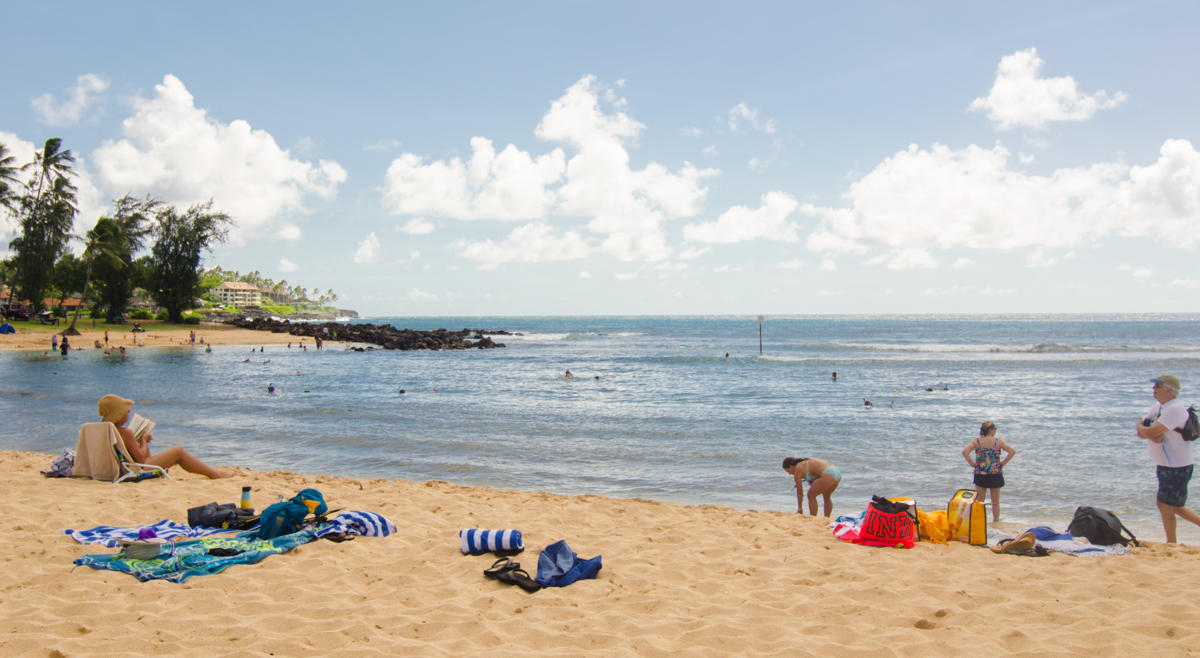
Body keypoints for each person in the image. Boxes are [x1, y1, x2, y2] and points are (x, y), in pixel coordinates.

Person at [96, 394, 227, 479]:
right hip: (136, 469)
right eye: (126, 411)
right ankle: (214, 474)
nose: (128, 413)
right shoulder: (125, 433)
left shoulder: (106, 430)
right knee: (179, 452)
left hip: (122, 468)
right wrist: (144, 440)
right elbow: (142, 460)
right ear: (118, 414)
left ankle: (213, 473)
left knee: (176, 452)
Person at [1136, 374, 1200, 543]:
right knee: (1169, 505)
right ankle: (1171, 542)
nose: (1153, 389)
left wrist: (1148, 433)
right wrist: (1148, 433)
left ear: (1169, 390)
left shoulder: (1175, 409)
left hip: (1177, 465)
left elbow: (1148, 430)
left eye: (1157, 385)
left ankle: (1171, 542)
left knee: (1169, 505)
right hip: (1166, 464)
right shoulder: (1158, 407)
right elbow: (1141, 429)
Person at [962, 420, 1015, 522]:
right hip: (995, 474)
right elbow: (1012, 452)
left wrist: (972, 464)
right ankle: (996, 521)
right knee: (995, 502)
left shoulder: (977, 441)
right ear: (991, 430)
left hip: (980, 473)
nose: (995, 431)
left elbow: (965, 452)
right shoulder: (998, 442)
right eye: (995, 429)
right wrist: (1003, 463)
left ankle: (978, 521)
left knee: (980, 501)